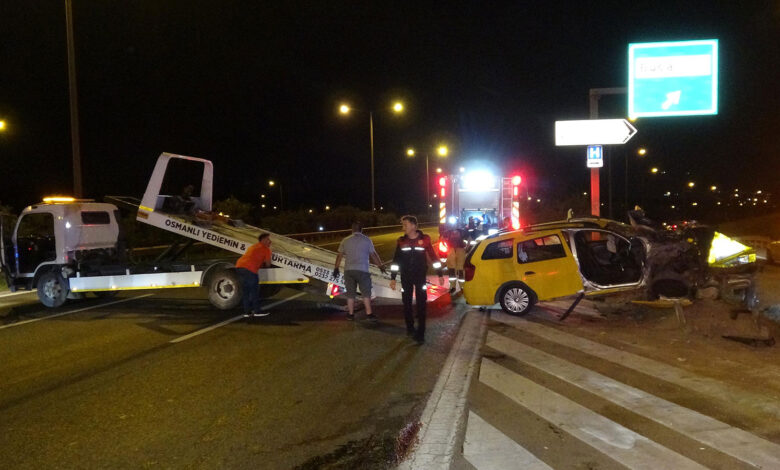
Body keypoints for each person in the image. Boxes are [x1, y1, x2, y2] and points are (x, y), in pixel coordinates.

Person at [389, 215, 445, 344]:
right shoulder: (401, 241)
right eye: (403, 225)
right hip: (406, 277)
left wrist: (440, 274)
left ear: (414, 226)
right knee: (406, 303)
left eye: (405, 225)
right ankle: (410, 328)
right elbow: (396, 261)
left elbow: (433, 257)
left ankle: (421, 333)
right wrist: (393, 278)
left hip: (420, 277)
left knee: (421, 304)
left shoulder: (424, 240)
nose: (403, 227)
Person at [332, 221, 386, 321]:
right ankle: (369, 314)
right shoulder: (367, 240)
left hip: (349, 271)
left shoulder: (345, 240)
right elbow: (373, 254)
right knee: (366, 293)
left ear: (352, 229)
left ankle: (351, 314)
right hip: (362, 270)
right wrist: (380, 266)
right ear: (362, 229)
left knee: (350, 293)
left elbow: (339, 255)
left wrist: (336, 268)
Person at [235, 233, 273, 320]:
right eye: (268, 239)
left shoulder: (253, 246)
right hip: (250, 270)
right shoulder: (266, 249)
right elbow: (268, 264)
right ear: (262, 240)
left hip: (239, 267)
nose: (270, 241)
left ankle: (247, 312)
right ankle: (257, 311)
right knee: (254, 291)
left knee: (246, 291)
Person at [445, 226, 467, 294]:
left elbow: (467, 239)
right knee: (451, 270)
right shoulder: (447, 232)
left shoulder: (462, 231)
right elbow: (443, 239)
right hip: (451, 250)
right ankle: (452, 287)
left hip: (460, 250)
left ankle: (462, 287)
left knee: (461, 270)